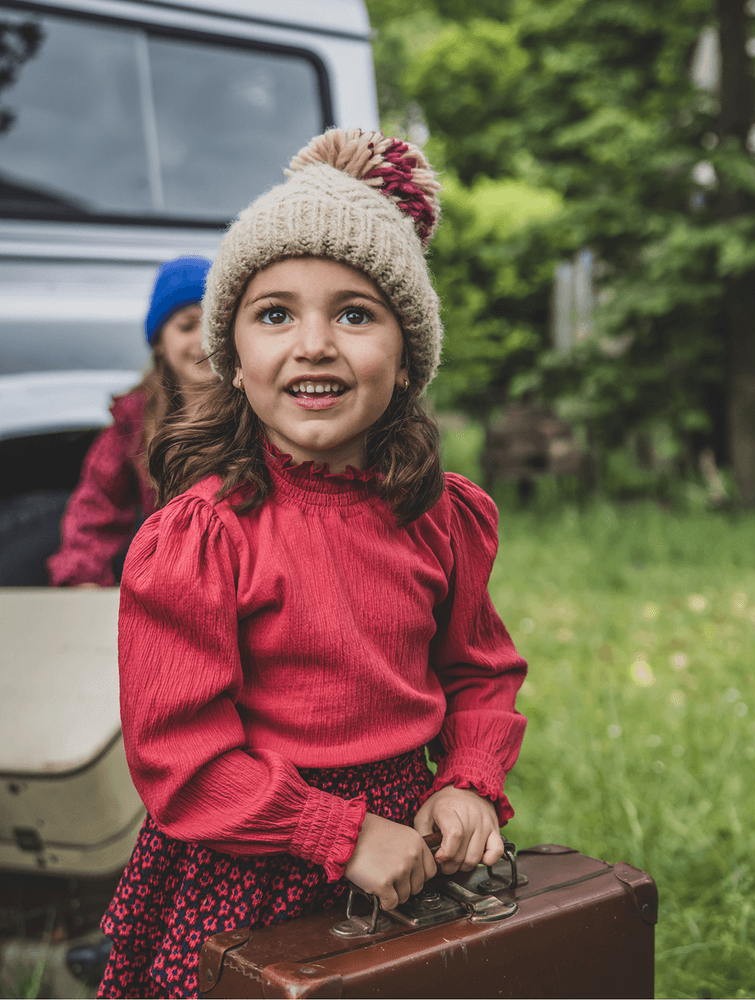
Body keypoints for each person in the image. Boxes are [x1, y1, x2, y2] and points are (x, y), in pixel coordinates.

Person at [98, 129, 527, 1000]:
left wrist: (469, 784)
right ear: (235, 354)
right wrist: (338, 832)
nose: (315, 343)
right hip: (251, 861)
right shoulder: (203, 535)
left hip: (413, 847)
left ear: (406, 358)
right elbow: (182, 758)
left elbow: (480, 671)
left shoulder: (440, 516)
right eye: (276, 313)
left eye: (356, 313)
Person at [48, 256, 213, 587]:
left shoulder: (258, 404)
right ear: (160, 345)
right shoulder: (134, 420)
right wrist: (84, 575)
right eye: (187, 326)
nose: (204, 341)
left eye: (215, 326)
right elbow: (95, 508)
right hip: (172, 586)